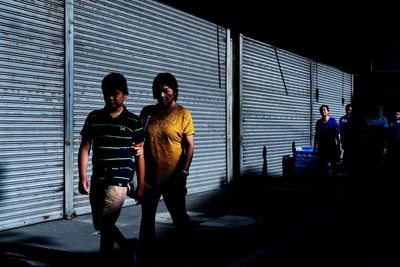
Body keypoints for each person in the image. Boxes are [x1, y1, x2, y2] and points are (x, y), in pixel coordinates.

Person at [78, 72, 145, 266]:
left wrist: (141, 184)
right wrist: (82, 175)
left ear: (126, 94)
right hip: (99, 177)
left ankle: (106, 259)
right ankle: (128, 245)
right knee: (100, 224)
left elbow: (141, 155)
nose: (110, 97)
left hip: (120, 179)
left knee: (106, 224)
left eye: (115, 93)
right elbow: (85, 147)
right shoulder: (94, 117)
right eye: (106, 93)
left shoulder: (133, 121)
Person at [137, 72, 195, 267]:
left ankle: (187, 254)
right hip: (150, 178)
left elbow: (190, 147)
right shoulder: (147, 112)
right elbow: (138, 143)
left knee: (179, 218)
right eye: (158, 90)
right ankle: (147, 258)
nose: (161, 95)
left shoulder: (183, 113)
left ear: (174, 91)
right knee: (146, 221)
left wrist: (183, 172)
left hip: (173, 178)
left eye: (165, 90)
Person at [313, 105, 341, 177]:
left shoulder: (333, 121)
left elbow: (337, 133)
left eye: (324, 110)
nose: (323, 111)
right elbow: (316, 135)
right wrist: (314, 146)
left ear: (328, 111)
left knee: (333, 164)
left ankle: (334, 179)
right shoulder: (318, 122)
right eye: (321, 110)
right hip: (322, 147)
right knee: (321, 165)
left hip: (331, 146)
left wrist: (338, 144)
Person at [338, 103, 353, 170]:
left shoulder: (355, 119)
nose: (348, 111)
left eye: (350, 110)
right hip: (345, 140)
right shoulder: (342, 119)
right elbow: (340, 130)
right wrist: (341, 140)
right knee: (346, 153)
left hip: (353, 140)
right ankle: (345, 167)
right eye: (347, 109)